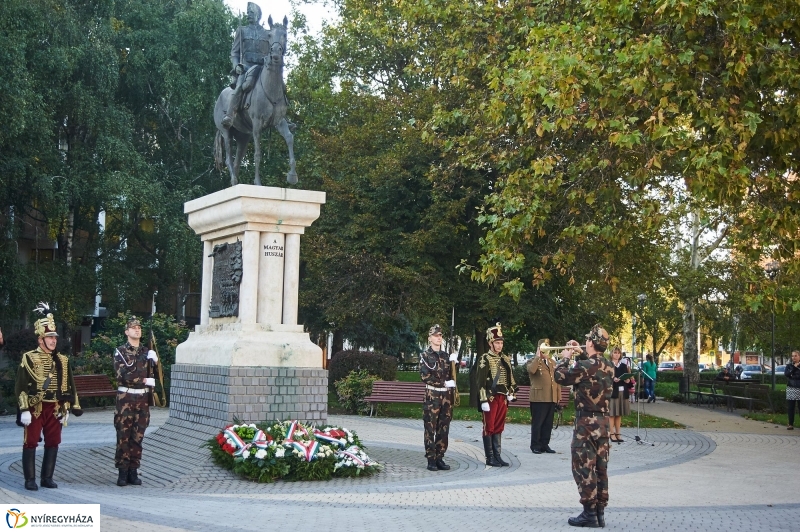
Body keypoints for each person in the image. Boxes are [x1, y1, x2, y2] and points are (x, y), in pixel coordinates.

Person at [15, 304, 82, 491]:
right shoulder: (28, 357)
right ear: (40, 339)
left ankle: (47, 477)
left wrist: (68, 406)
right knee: (30, 442)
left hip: (55, 407)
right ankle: (30, 480)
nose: (53, 340)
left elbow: (70, 385)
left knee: (53, 442)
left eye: (54, 337)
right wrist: (24, 409)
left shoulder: (62, 359)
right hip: (35, 407)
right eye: (50, 337)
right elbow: (20, 386)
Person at [554, 324, 614, 528]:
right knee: (601, 468)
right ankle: (599, 512)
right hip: (603, 423)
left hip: (586, 425)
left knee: (583, 467)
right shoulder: (608, 366)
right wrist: (581, 355)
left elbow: (560, 376)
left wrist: (564, 357)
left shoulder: (585, 366)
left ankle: (589, 512)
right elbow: (590, 370)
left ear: (590, 342)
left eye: (587, 340)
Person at [113, 317, 158, 486]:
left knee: (138, 437)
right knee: (123, 436)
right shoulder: (120, 352)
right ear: (127, 332)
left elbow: (154, 375)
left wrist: (155, 362)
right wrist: (144, 380)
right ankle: (122, 472)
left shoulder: (147, 352)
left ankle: (133, 470)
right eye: (133, 328)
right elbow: (123, 376)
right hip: (126, 399)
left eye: (139, 327)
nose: (137, 330)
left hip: (142, 399)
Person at [221, 2, 272, 127]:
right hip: (246, 67)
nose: (248, 15)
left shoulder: (267, 33)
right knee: (239, 87)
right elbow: (234, 53)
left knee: (278, 85)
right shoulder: (242, 31)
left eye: (251, 13)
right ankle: (229, 115)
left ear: (258, 15)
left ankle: (282, 117)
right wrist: (236, 65)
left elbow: (271, 52)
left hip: (263, 68)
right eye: (248, 13)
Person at [476, 322, 518, 467]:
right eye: (497, 342)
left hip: (503, 398)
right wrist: (483, 400)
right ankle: (490, 457)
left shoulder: (505, 359)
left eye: (501, 342)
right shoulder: (484, 359)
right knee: (489, 426)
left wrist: (511, 393)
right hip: (491, 398)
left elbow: (511, 379)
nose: (499, 345)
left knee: (499, 427)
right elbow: (480, 382)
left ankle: (497, 456)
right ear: (490, 343)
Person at [419, 324, 457, 471]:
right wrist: (443, 382)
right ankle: (431, 458)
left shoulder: (446, 356)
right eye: (436, 335)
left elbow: (452, 376)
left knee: (444, 427)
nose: (439, 338)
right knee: (430, 427)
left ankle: (440, 456)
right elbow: (425, 376)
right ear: (430, 338)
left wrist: (455, 363)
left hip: (446, 396)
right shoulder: (425, 356)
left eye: (440, 335)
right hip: (432, 395)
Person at [527, 338, 561, 454]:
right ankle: (535, 445)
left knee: (548, 423)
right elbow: (531, 370)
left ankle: (544, 444)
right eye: (543, 347)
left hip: (551, 397)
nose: (546, 350)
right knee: (538, 423)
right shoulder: (533, 361)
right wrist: (537, 356)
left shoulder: (552, 362)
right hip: (539, 397)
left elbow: (556, 380)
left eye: (547, 346)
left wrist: (558, 396)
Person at [607, 347, 631, 443]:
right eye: (615, 353)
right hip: (613, 391)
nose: (617, 354)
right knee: (612, 413)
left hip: (622, 391)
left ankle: (618, 433)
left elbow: (628, 378)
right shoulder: (609, 365)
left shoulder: (624, 365)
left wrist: (627, 380)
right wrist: (613, 379)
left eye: (618, 353)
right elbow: (605, 378)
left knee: (619, 413)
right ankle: (611, 433)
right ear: (611, 354)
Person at [785, 350, 800, 430]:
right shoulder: (789, 366)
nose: (793, 357)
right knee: (791, 407)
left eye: (795, 356)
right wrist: (794, 368)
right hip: (791, 388)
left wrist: (792, 374)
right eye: (792, 356)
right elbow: (786, 374)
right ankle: (790, 424)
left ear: (799, 357)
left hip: (799, 388)